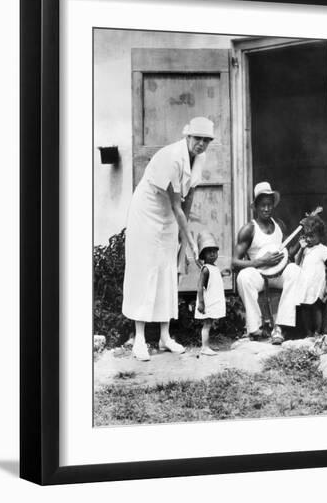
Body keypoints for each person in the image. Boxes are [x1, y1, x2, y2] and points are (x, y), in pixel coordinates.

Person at [122, 117, 215, 361]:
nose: (201, 144)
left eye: (206, 140)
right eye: (198, 139)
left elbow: (189, 198)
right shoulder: (172, 157)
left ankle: (165, 337)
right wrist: (193, 243)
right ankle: (140, 339)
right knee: (146, 271)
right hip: (148, 212)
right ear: (188, 137)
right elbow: (177, 205)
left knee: (168, 271)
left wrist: (186, 243)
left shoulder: (200, 158)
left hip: (170, 215)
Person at [232, 181, 300, 345]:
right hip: (259, 276)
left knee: (295, 271)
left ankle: (280, 327)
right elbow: (234, 262)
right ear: (255, 206)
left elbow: (287, 255)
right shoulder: (249, 229)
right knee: (243, 277)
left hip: (277, 275)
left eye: (269, 205)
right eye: (262, 205)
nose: (266, 209)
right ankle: (255, 328)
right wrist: (261, 261)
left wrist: (300, 244)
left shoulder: (280, 226)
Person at [294, 215, 327, 337]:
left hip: (317, 284)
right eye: (307, 236)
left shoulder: (323, 250)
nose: (309, 239)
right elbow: (296, 261)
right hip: (305, 284)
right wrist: (301, 248)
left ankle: (317, 331)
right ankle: (308, 333)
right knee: (305, 307)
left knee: (316, 307)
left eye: (312, 236)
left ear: (320, 235)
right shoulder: (305, 250)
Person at [194, 231, 226, 356]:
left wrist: (222, 273)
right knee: (207, 324)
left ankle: (207, 345)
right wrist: (201, 302)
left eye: (215, 251)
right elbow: (200, 286)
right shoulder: (206, 269)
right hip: (207, 302)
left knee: (210, 323)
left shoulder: (214, 268)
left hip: (212, 301)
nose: (213, 254)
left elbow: (214, 281)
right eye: (209, 251)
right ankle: (204, 347)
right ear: (203, 254)